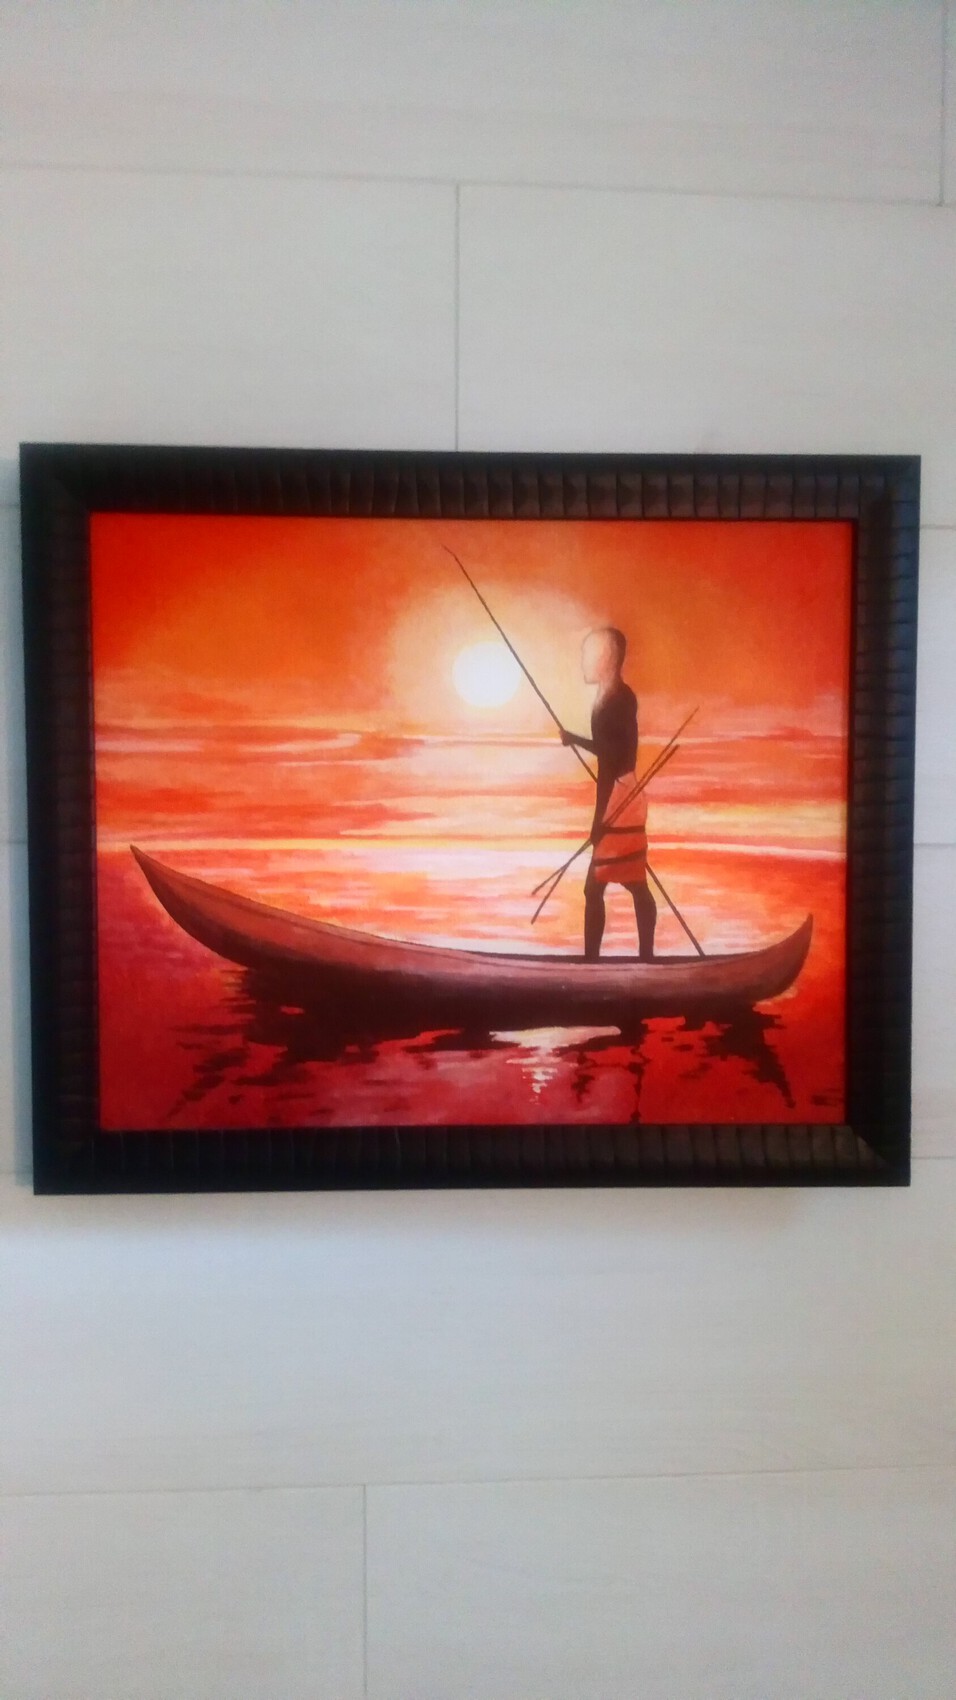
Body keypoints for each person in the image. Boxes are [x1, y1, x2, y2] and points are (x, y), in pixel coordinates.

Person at [560, 627, 656, 962]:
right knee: (628, 882)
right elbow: (608, 754)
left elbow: (614, 755)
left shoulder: (619, 699)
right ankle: (636, 961)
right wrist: (576, 740)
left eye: (588, 654)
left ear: (607, 658)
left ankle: (614, 963)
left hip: (621, 795)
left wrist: (599, 821)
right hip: (618, 792)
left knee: (614, 884)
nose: (583, 661)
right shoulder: (608, 697)